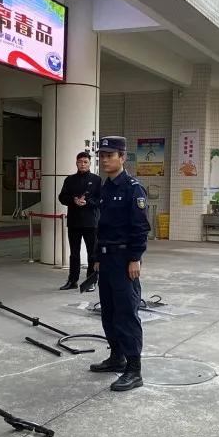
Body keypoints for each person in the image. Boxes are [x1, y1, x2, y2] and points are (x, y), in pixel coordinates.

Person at [87, 136, 150, 391]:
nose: (104, 159)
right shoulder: (106, 188)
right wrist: (97, 259)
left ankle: (134, 369)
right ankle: (116, 357)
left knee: (126, 313)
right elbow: (100, 227)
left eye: (110, 155)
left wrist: (135, 258)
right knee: (110, 312)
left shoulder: (133, 188)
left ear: (122, 158)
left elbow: (140, 227)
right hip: (107, 259)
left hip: (125, 260)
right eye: (101, 155)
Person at [57, 150, 102, 291]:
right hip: (74, 222)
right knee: (74, 253)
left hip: (91, 222)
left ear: (89, 163)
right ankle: (72, 280)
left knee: (92, 253)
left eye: (85, 162)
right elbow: (62, 197)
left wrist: (87, 202)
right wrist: (73, 200)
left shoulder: (96, 180)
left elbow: (100, 199)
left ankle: (91, 280)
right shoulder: (69, 180)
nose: (82, 164)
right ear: (76, 163)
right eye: (80, 162)